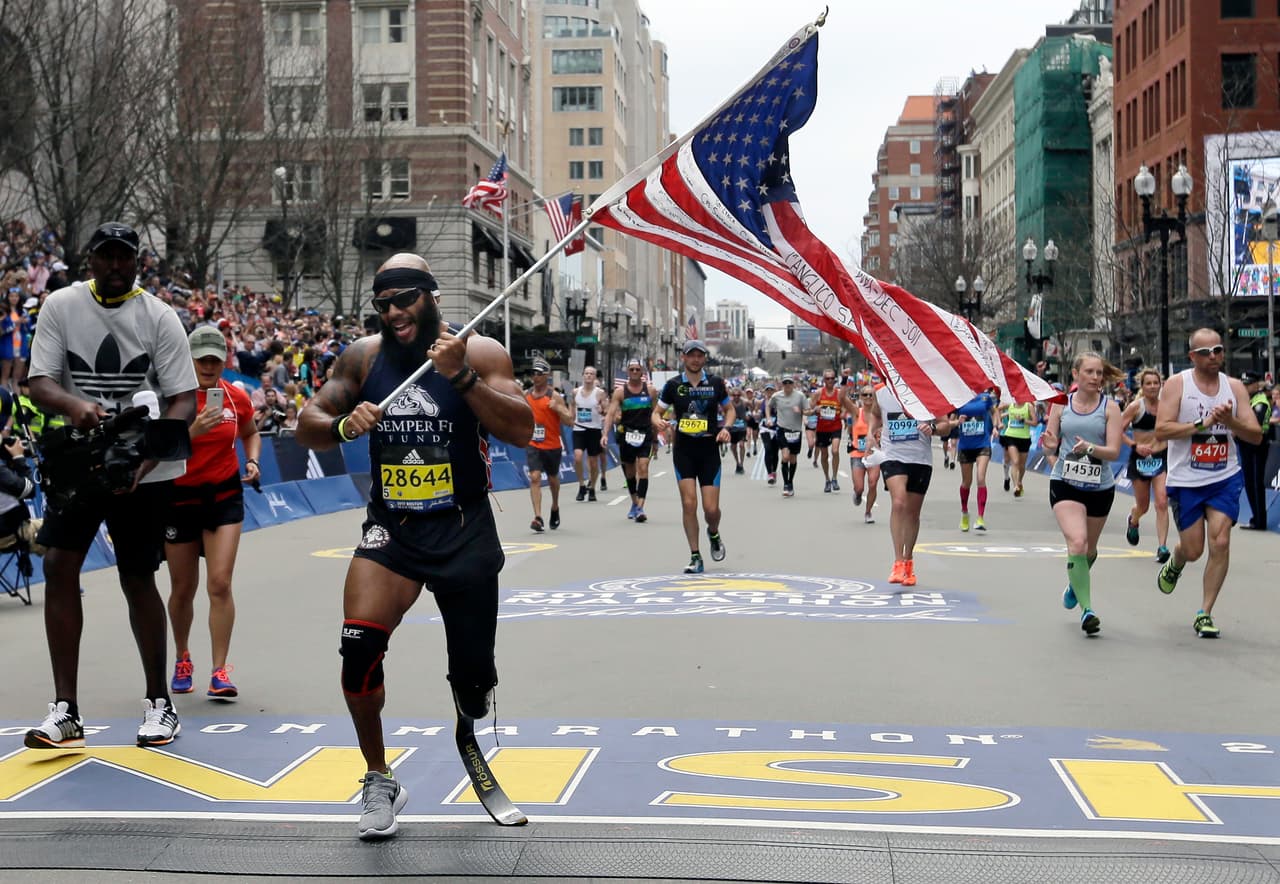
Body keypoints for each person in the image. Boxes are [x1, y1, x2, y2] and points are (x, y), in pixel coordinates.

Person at [296, 253, 532, 840]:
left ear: (431, 295)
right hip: (392, 530)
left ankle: (469, 708)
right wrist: (342, 426)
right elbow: (308, 419)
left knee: (474, 680)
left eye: (406, 299)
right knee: (357, 651)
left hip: (462, 527)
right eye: (383, 304)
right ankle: (378, 777)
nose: (395, 312)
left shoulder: (478, 352)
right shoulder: (365, 357)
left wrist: (461, 378)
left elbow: (523, 429)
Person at [23, 221, 198, 750]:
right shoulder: (61, 306)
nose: (117, 265)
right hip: (83, 455)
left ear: (139, 261)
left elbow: (184, 398)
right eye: (107, 257)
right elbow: (38, 381)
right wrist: (76, 405)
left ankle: (159, 704)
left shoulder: (159, 315)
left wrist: (150, 451)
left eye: (126, 257)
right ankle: (65, 710)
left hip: (143, 465)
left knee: (137, 575)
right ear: (91, 261)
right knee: (57, 565)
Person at [164, 327, 261, 700]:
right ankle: (182, 656)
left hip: (223, 497)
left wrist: (252, 461)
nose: (207, 366)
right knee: (183, 588)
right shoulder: (176, 398)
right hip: (180, 498)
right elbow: (160, 449)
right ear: (189, 358)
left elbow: (251, 432)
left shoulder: (236, 398)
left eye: (214, 360)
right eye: (201, 358)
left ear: (224, 361)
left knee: (219, 583)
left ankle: (220, 670)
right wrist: (193, 430)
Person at [1155, 330, 1263, 637]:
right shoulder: (1178, 385)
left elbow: (1255, 435)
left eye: (1218, 350)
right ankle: (1176, 562)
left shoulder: (1235, 388)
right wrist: (1200, 424)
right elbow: (1161, 430)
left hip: (1223, 477)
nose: (1214, 356)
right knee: (1193, 550)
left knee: (1221, 542)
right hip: (1186, 480)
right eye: (1206, 352)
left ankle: (1205, 612)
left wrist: (1230, 422)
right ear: (1192, 357)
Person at [1041, 353, 1125, 636]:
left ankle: (1074, 584)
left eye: (1099, 373)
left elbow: (1114, 452)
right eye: (1089, 372)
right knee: (1077, 542)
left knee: (1088, 550)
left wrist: (1090, 448)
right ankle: (1088, 610)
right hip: (1065, 482)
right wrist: (1049, 444)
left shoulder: (1111, 408)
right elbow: (1049, 446)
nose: (1096, 377)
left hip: (1100, 486)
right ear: (1075, 374)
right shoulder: (1060, 404)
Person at [652, 340, 732, 574]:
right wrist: (659, 422)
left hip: (709, 450)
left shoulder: (716, 384)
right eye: (691, 356)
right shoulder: (673, 385)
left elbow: (729, 409)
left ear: (704, 359)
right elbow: (657, 413)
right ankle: (695, 555)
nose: (695, 359)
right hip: (684, 450)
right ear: (683, 358)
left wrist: (726, 427)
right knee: (689, 504)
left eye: (699, 356)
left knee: (711, 510)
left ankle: (714, 533)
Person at [865, 385, 953, 586]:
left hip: (920, 459)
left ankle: (908, 561)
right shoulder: (882, 392)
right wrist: (871, 433)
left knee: (912, 513)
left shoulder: (928, 388)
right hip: (892, 455)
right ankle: (897, 562)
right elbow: (876, 415)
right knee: (898, 503)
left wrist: (932, 428)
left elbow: (945, 424)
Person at [1120, 369, 1171, 560]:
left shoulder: (1167, 407)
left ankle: (1162, 547)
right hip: (1140, 459)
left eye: (1155, 383)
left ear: (1160, 385)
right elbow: (1118, 430)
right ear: (1142, 387)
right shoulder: (1135, 407)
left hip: (1161, 457)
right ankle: (1134, 519)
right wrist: (1135, 445)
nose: (1152, 387)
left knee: (1162, 501)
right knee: (1143, 505)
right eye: (1148, 383)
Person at [605, 357, 658, 521]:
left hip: (645, 434)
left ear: (642, 372)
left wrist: (656, 439)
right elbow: (610, 413)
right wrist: (605, 434)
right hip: (626, 434)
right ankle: (635, 502)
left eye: (637, 369)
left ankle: (641, 508)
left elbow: (655, 414)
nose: (635, 372)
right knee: (630, 472)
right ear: (627, 372)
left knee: (643, 467)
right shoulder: (620, 392)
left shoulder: (650, 391)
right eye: (632, 369)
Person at [524, 357, 571, 532]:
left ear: (546, 376)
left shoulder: (554, 396)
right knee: (535, 477)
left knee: (552, 479)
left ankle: (555, 507)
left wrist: (558, 408)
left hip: (552, 444)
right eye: (533, 373)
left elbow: (569, 421)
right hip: (533, 443)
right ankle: (537, 516)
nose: (535, 377)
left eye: (539, 374)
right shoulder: (526, 395)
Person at [952, 389, 999, 532]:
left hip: (982, 444)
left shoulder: (985, 397)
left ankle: (980, 518)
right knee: (967, 482)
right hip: (966, 446)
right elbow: (950, 420)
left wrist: (996, 426)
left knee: (980, 478)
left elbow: (994, 411)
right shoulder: (958, 398)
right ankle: (965, 513)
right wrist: (956, 422)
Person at [1237, 370, 1272, 531]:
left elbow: (1255, 424)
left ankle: (1259, 520)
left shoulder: (1260, 401)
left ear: (1256, 384)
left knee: (1256, 483)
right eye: (1243, 384)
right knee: (1250, 482)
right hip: (1246, 443)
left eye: (1248, 384)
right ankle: (1255, 518)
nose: (1245, 387)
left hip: (1257, 444)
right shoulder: (1248, 400)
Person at [843, 384, 879, 523]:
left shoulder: (879, 413)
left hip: (874, 454)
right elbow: (842, 398)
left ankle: (868, 512)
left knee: (873, 482)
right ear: (860, 397)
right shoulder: (856, 412)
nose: (869, 397)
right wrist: (845, 381)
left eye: (871, 394)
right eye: (865, 395)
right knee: (859, 487)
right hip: (858, 455)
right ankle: (858, 495)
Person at [571, 366, 607, 502]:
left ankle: (592, 487)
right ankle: (581, 485)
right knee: (578, 457)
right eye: (586, 373)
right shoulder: (576, 392)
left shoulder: (599, 393)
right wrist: (571, 416)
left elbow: (606, 410)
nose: (588, 376)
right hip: (579, 428)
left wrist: (601, 410)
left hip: (594, 429)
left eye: (591, 374)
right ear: (582, 376)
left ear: (595, 377)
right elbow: (572, 405)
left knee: (593, 462)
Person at [768, 375, 807, 497]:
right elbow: (768, 406)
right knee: (785, 456)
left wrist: (800, 411)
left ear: (793, 384)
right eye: (785, 383)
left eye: (790, 383)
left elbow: (808, 410)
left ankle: (790, 482)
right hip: (782, 429)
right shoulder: (776, 396)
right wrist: (769, 418)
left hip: (795, 431)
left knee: (793, 459)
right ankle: (786, 484)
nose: (788, 385)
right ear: (782, 384)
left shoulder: (800, 396)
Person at [810, 370, 843, 493]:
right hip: (822, 428)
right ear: (824, 380)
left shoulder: (839, 394)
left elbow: (845, 409)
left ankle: (834, 478)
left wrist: (843, 414)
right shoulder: (818, 393)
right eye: (827, 378)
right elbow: (809, 408)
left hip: (835, 426)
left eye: (832, 378)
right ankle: (827, 479)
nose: (830, 381)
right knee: (824, 455)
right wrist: (816, 409)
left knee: (835, 450)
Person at [998, 399, 1035, 498]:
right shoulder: (1010, 404)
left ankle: (1019, 481)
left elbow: (1035, 422)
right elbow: (996, 410)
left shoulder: (1028, 406)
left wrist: (1023, 420)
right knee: (1015, 461)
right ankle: (1015, 487)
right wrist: (999, 422)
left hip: (1024, 438)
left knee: (1021, 465)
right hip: (1010, 436)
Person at [759, 381, 779, 484]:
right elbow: (763, 412)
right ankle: (769, 474)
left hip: (776, 429)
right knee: (768, 449)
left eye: (771, 390)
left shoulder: (779, 401)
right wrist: (767, 419)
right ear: (765, 392)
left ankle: (774, 470)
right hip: (765, 429)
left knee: (775, 452)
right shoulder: (763, 402)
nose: (769, 392)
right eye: (768, 390)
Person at [726, 388, 749, 474]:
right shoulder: (729, 403)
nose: (736, 397)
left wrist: (748, 414)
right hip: (732, 428)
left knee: (742, 445)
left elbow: (751, 404)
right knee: (733, 447)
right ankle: (737, 462)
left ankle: (741, 464)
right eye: (734, 395)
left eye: (738, 395)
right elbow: (724, 411)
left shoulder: (743, 402)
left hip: (742, 427)